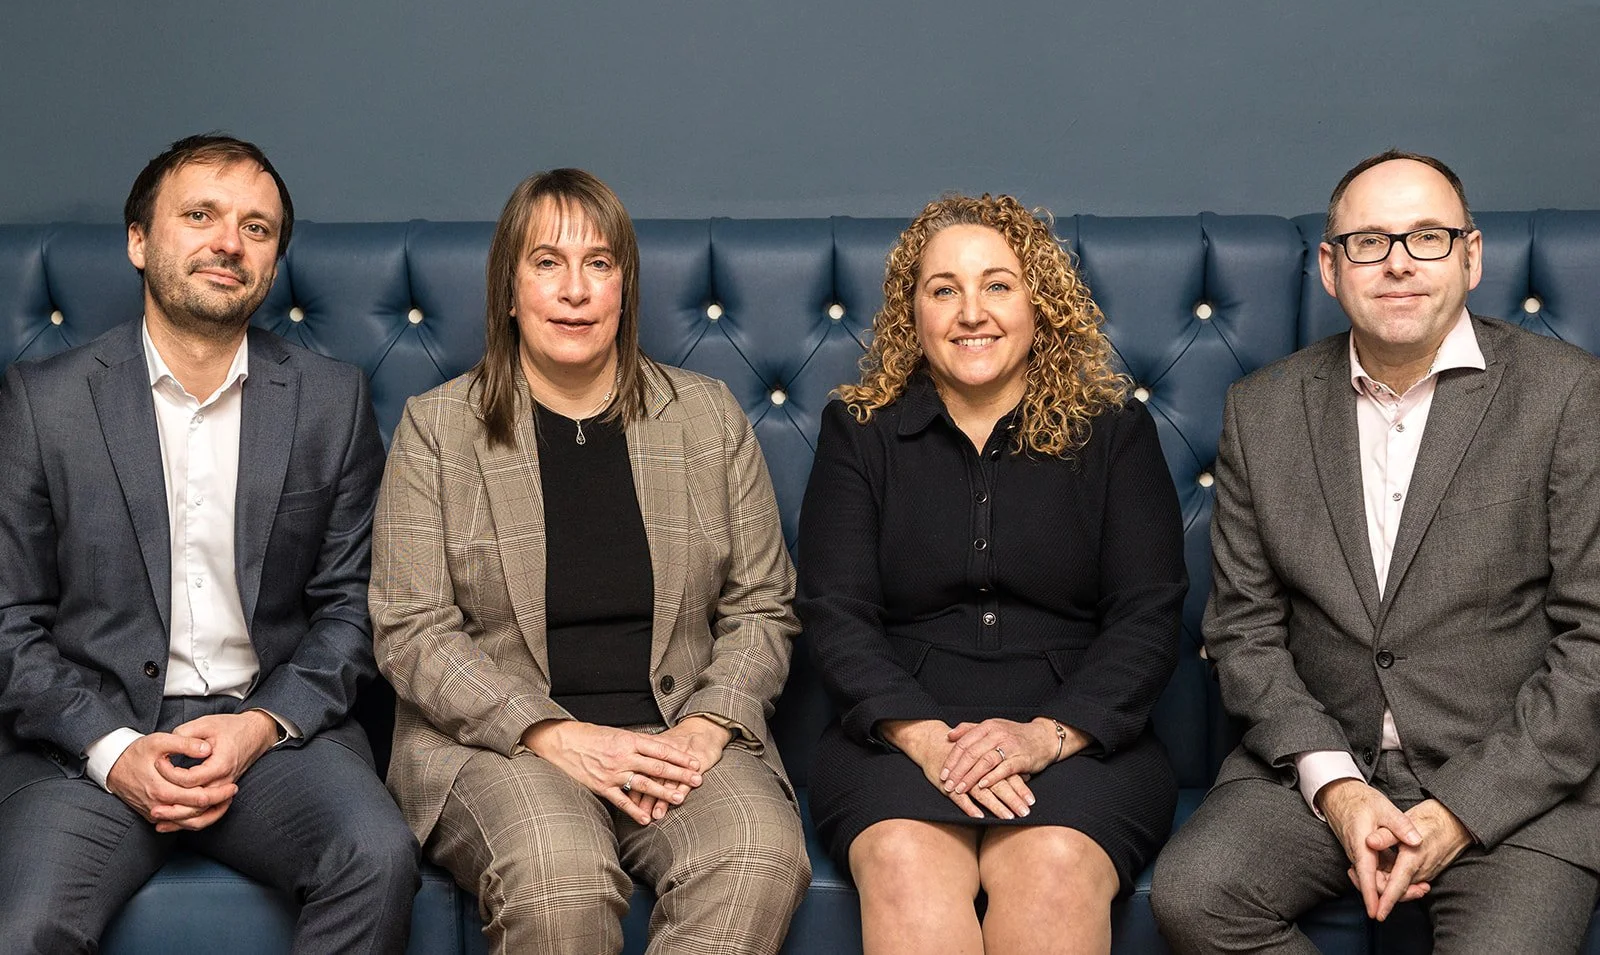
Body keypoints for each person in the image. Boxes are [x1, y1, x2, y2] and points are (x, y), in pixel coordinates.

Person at [1152, 150, 1600, 953]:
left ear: (1471, 256)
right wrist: (1339, 790)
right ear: (1331, 268)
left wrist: (1461, 808)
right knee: (1195, 895)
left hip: (1516, 783)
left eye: (1428, 236)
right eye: (1369, 241)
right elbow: (1244, 631)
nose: (1399, 262)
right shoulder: (1261, 409)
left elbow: (1593, 642)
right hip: (1316, 769)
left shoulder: (1568, 394)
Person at [370, 167, 810, 954]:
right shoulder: (436, 429)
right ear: (509, 291)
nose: (575, 289)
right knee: (559, 877)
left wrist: (709, 722)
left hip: (674, 730)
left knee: (757, 853)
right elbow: (411, 628)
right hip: (503, 743)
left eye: (598, 263)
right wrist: (549, 731)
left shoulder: (707, 417)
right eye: (547, 262)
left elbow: (762, 605)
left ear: (624, 288)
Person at [0, 133, 420, 952]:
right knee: (25, 926)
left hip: (273, 738)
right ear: (138, 240)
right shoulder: (43, 402)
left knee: (376, 857)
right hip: (90, 741)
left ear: (272, 261)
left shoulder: (331, 401)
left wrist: (260, 724)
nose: (230, 241)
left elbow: (353, 608)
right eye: (201, 215)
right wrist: (114, 750)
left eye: (256, 228)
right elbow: (10, 621)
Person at [798, 193, 1186, 955]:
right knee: (905, 859)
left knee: (1053, 864)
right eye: (944, 289)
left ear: (1039, 305)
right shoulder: (859, 431)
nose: (971, 312)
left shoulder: (1114, 432)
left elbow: (1148, 616)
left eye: (998, 285)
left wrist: (1046, 736)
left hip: (1080, 735)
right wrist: (925, 738)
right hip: (895, 733)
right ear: (913, 314)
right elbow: (835, 613)